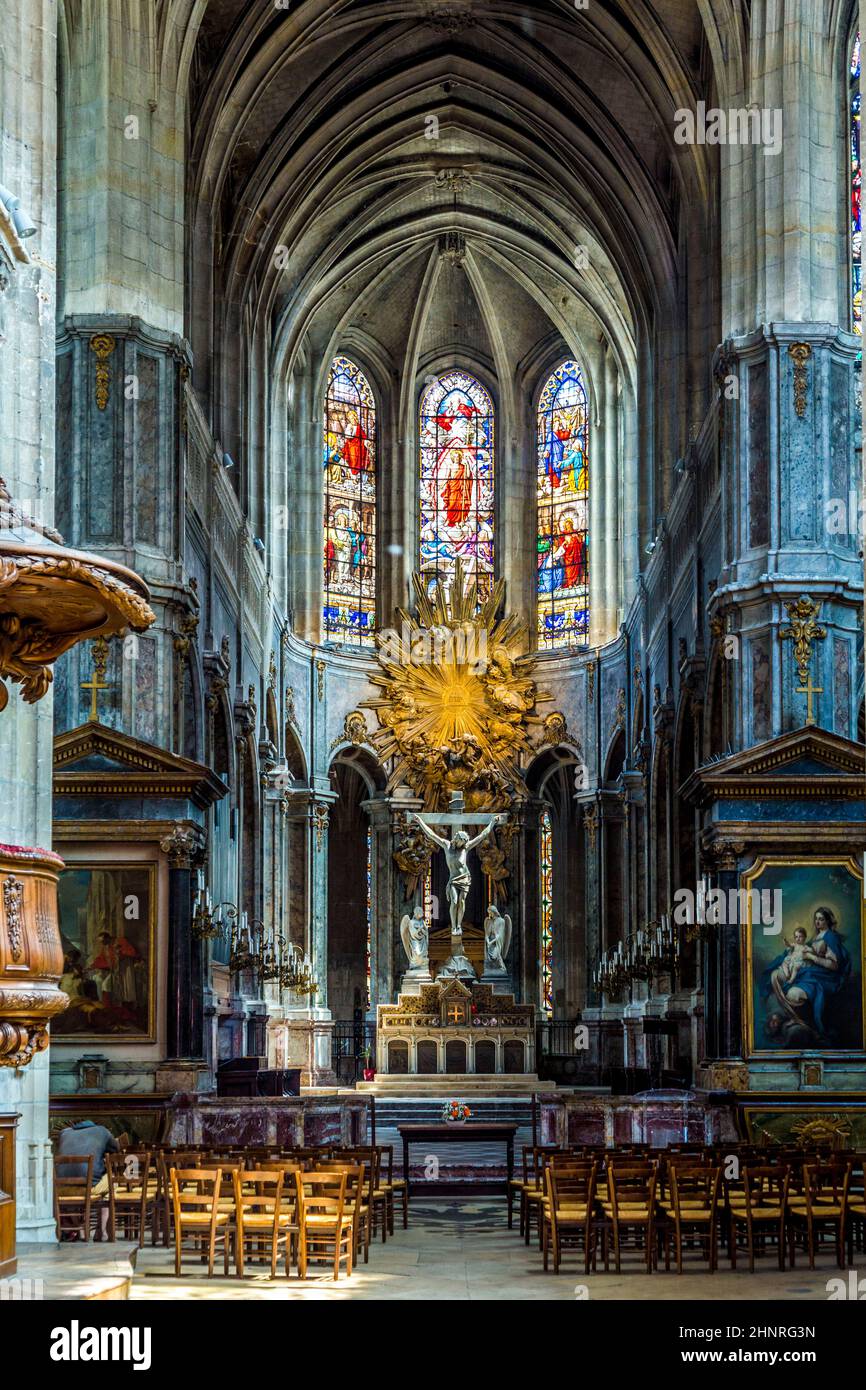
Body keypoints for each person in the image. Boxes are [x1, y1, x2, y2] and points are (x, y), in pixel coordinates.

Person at [55, 1119, 120, 1220]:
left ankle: (79, 1228)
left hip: (61, 1189)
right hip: (88, 1188)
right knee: (113, 1182)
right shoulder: (102, 1131)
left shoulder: (64, 1133)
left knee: (74, 1182)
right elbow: (116, 1149)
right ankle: (102, 1232)